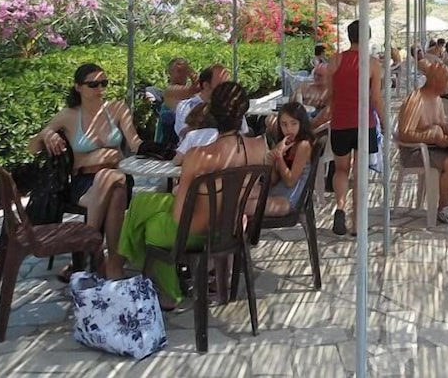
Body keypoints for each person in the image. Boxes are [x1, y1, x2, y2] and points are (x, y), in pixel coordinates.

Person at [117, 82, 268, 309]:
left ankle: (166, 291)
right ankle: (131, 269)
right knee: (142, 203)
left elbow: (180, 216)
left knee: (145, 223)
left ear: (212, 111)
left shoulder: (199, 155)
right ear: (243, 111)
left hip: (196, 233)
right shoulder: (260, 147)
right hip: (232, 230)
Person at [29, 63, 141, 282]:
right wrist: (46, 134)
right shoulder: (68, 116)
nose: (100, 89)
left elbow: (135, 143)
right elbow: (32, 149)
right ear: (78, 87)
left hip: (118, 175)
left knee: (113, 178)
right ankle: (113, 263)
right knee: (114, 188)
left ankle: (85, 255)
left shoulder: (117, 109)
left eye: (104, 83)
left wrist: (161, 151)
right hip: (84, 183)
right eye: (93, 84)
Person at [397, 61, 448, 224]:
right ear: (436, 81)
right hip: (415, 151)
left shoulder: (437, 100)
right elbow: (405, 134)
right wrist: (433, 138)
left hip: (435, 148)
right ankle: (443, 207)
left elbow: (443, 125)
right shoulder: (415, 100)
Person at [327, 20, 386, 236]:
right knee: (360, 174)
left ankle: (340, 207)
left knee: (341, 170)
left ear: (349, 36)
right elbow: (376, 99)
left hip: (340, 122)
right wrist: (385, 122)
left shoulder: (335, 60)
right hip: (363, 123)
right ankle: (357, 223)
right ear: (367, 37)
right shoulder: (372, 63)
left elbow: (331, 95)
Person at [263, 102, 314, 217]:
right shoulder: (284, 144)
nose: (289, 129)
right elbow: (273, 180)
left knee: (246, 206)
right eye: (284, 124)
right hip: (277, 192)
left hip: (290, 199)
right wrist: (271, 160)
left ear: (301, 124)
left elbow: (290, 181)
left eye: (293, 124)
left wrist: (279, 157)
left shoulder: (303, 145)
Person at [174, 64, 247, 139]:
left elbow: (244, 132)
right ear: (206, 85)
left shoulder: (233, 106)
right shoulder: (186, 106)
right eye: (222, 85)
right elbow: (183, 134)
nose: (227, 89)